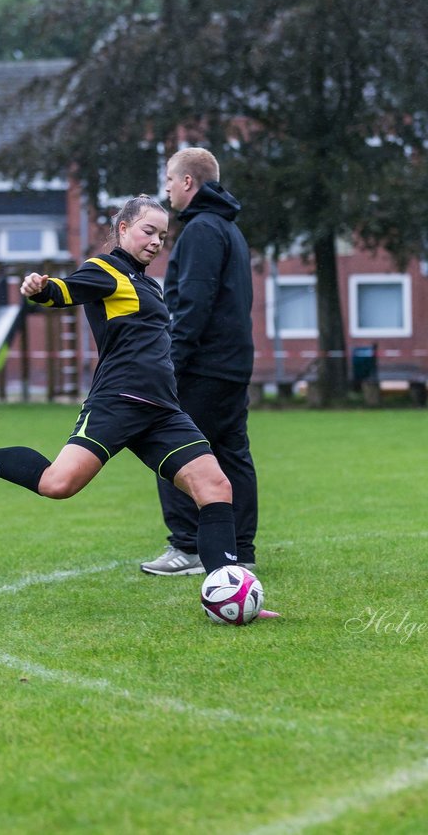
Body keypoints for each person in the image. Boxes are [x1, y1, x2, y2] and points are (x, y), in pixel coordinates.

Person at [0, 195, 244, 575]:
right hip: (117, 402)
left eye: (163, 236)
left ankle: (227, 589)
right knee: (58, 484)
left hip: (163, 410)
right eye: (148, 231)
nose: (156, 241)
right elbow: (65, 291)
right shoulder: (105, 269)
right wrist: (41, 289)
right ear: (123, 229)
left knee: (216, 487)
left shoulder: (150, 286)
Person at [140, 148, 258, 577]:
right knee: (232, 454)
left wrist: (170, 364)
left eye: (170, 179)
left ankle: (187, 547)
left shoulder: (201, 231)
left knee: (168, 446)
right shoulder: (229, 229)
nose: (167, 187)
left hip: (202, 366)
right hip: (232, 364)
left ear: (188, 182)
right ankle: (240, 550)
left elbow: (193, 306)